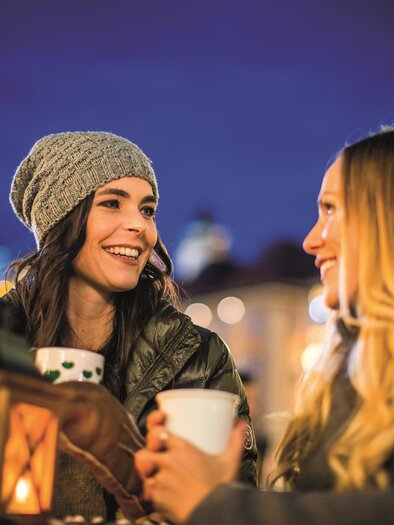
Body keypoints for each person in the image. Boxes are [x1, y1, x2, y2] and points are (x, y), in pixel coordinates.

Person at [135, 127, 394, 525]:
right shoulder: (350, 377)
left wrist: (220, 506)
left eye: (330, 210)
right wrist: (209, 482)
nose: (312, 240)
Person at [1, 131, 257, 521]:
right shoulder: (7, 342)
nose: (139, 225)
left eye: (148, 209)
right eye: (112, 203)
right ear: (61, 222)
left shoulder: (200, 356)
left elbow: (235, 506)